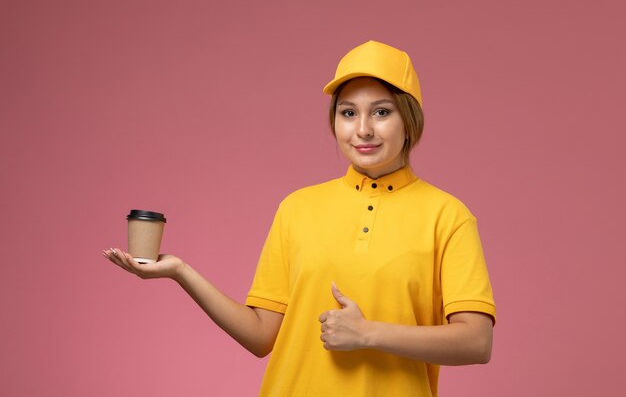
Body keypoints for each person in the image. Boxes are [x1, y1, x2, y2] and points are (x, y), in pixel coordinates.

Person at [103, 40, 496, 397]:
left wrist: (368, 333)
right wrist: (180, 272)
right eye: (348, 113)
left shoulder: (448, 216)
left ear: (409, 120)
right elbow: (260, 336)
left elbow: (476, 342)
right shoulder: (298, 208)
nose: (362, 129)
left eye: (381, 112)